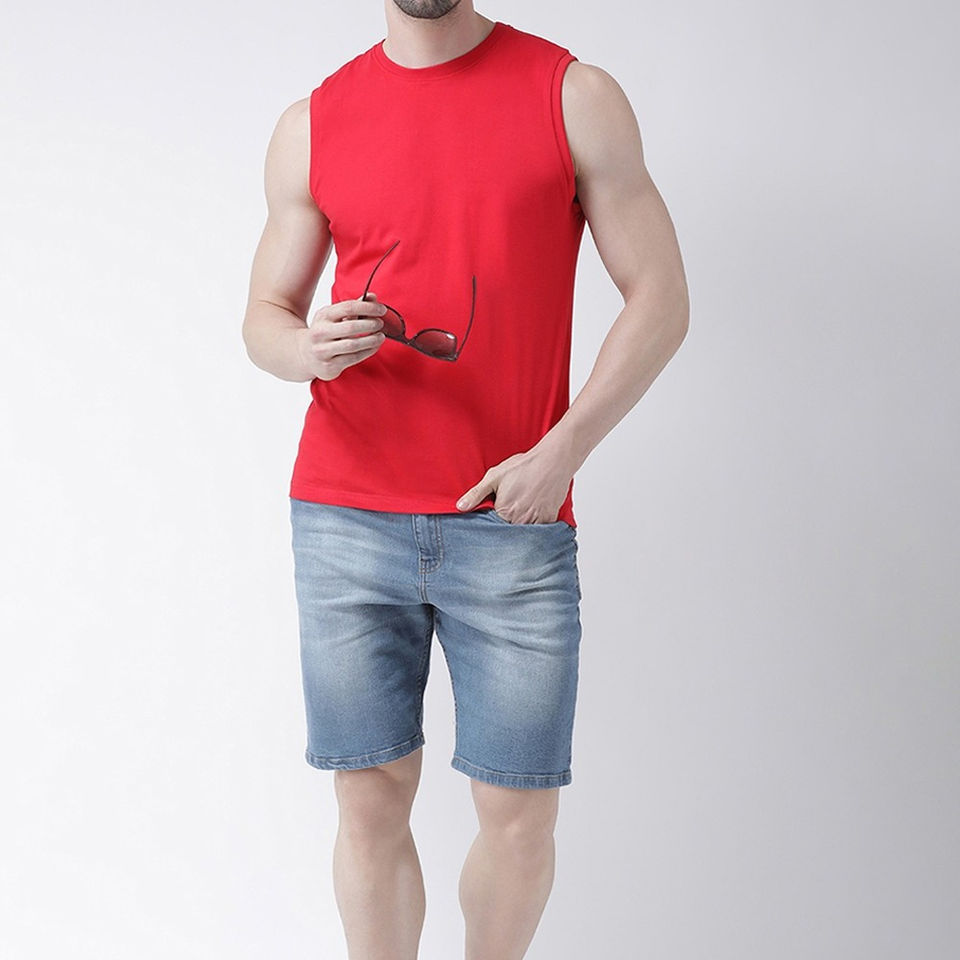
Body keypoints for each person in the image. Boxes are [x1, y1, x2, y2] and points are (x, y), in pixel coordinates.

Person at [242, 1, 688, 957]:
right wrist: (306, 348)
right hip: (346, 516)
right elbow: (264, 318)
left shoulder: (572, 96)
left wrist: (564, 450)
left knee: (519, 817)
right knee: (368, 802)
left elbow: (661, 297)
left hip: (513, 516)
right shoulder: (313, 122)